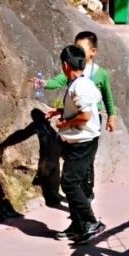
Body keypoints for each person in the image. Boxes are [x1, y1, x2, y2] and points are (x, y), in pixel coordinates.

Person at [36, 30, 116, 199]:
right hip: (74, 119)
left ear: (93, 52)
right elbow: (57, 81)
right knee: (73, 157)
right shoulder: (72, 69)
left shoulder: (100, 74)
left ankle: (87, 193)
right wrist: (42, 83)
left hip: (91, 119)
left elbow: (108, 96)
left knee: (88, 160)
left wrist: (111, 116)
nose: (76, 50)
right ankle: (77, 192)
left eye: (79, 47)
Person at [47, 44, 105, 245]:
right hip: (78, 142)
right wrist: (61, 111)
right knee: (76, 183)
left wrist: (65, 122)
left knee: (70, 183)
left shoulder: (80, 86)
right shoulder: (81, 84)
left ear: (65, 65)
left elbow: (85, 115)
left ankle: (90, 223)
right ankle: (78, 225)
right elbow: (81, 108)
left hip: (83, 143)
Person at [0, 108, 62, 207]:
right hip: (55, 157)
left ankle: (50, 200)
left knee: (47, 184)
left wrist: (5, 144)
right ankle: (53, 198)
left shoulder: (38, 125)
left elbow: (21, 135)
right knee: (52, 181)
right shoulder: (49, 127)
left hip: (47, 158)